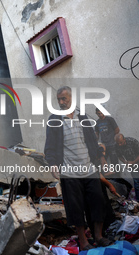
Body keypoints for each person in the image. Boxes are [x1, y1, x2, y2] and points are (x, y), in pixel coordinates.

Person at [44, 86, 113, 250]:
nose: (61, 102)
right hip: (69, 172)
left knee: (98, 201)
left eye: (64, 99)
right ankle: (83, 241)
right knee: (75, 207)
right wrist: (53, 164)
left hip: (89, 169)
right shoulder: (54, 119)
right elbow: (50, 147)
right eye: (59, 99)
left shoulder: (82, 116)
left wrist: (101, 157)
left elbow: (91, 140)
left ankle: (98, 236)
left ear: (71, 99)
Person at [115, 133, 139, 200]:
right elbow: (119, 156)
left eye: (121, 143)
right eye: (118, 143)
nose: (119, 144)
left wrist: (133, 162)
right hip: (133, 166)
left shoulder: (132, 141)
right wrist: (125, 162)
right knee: (137, 182)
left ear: (124, 139)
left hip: (136, 161)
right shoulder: (116, 146)